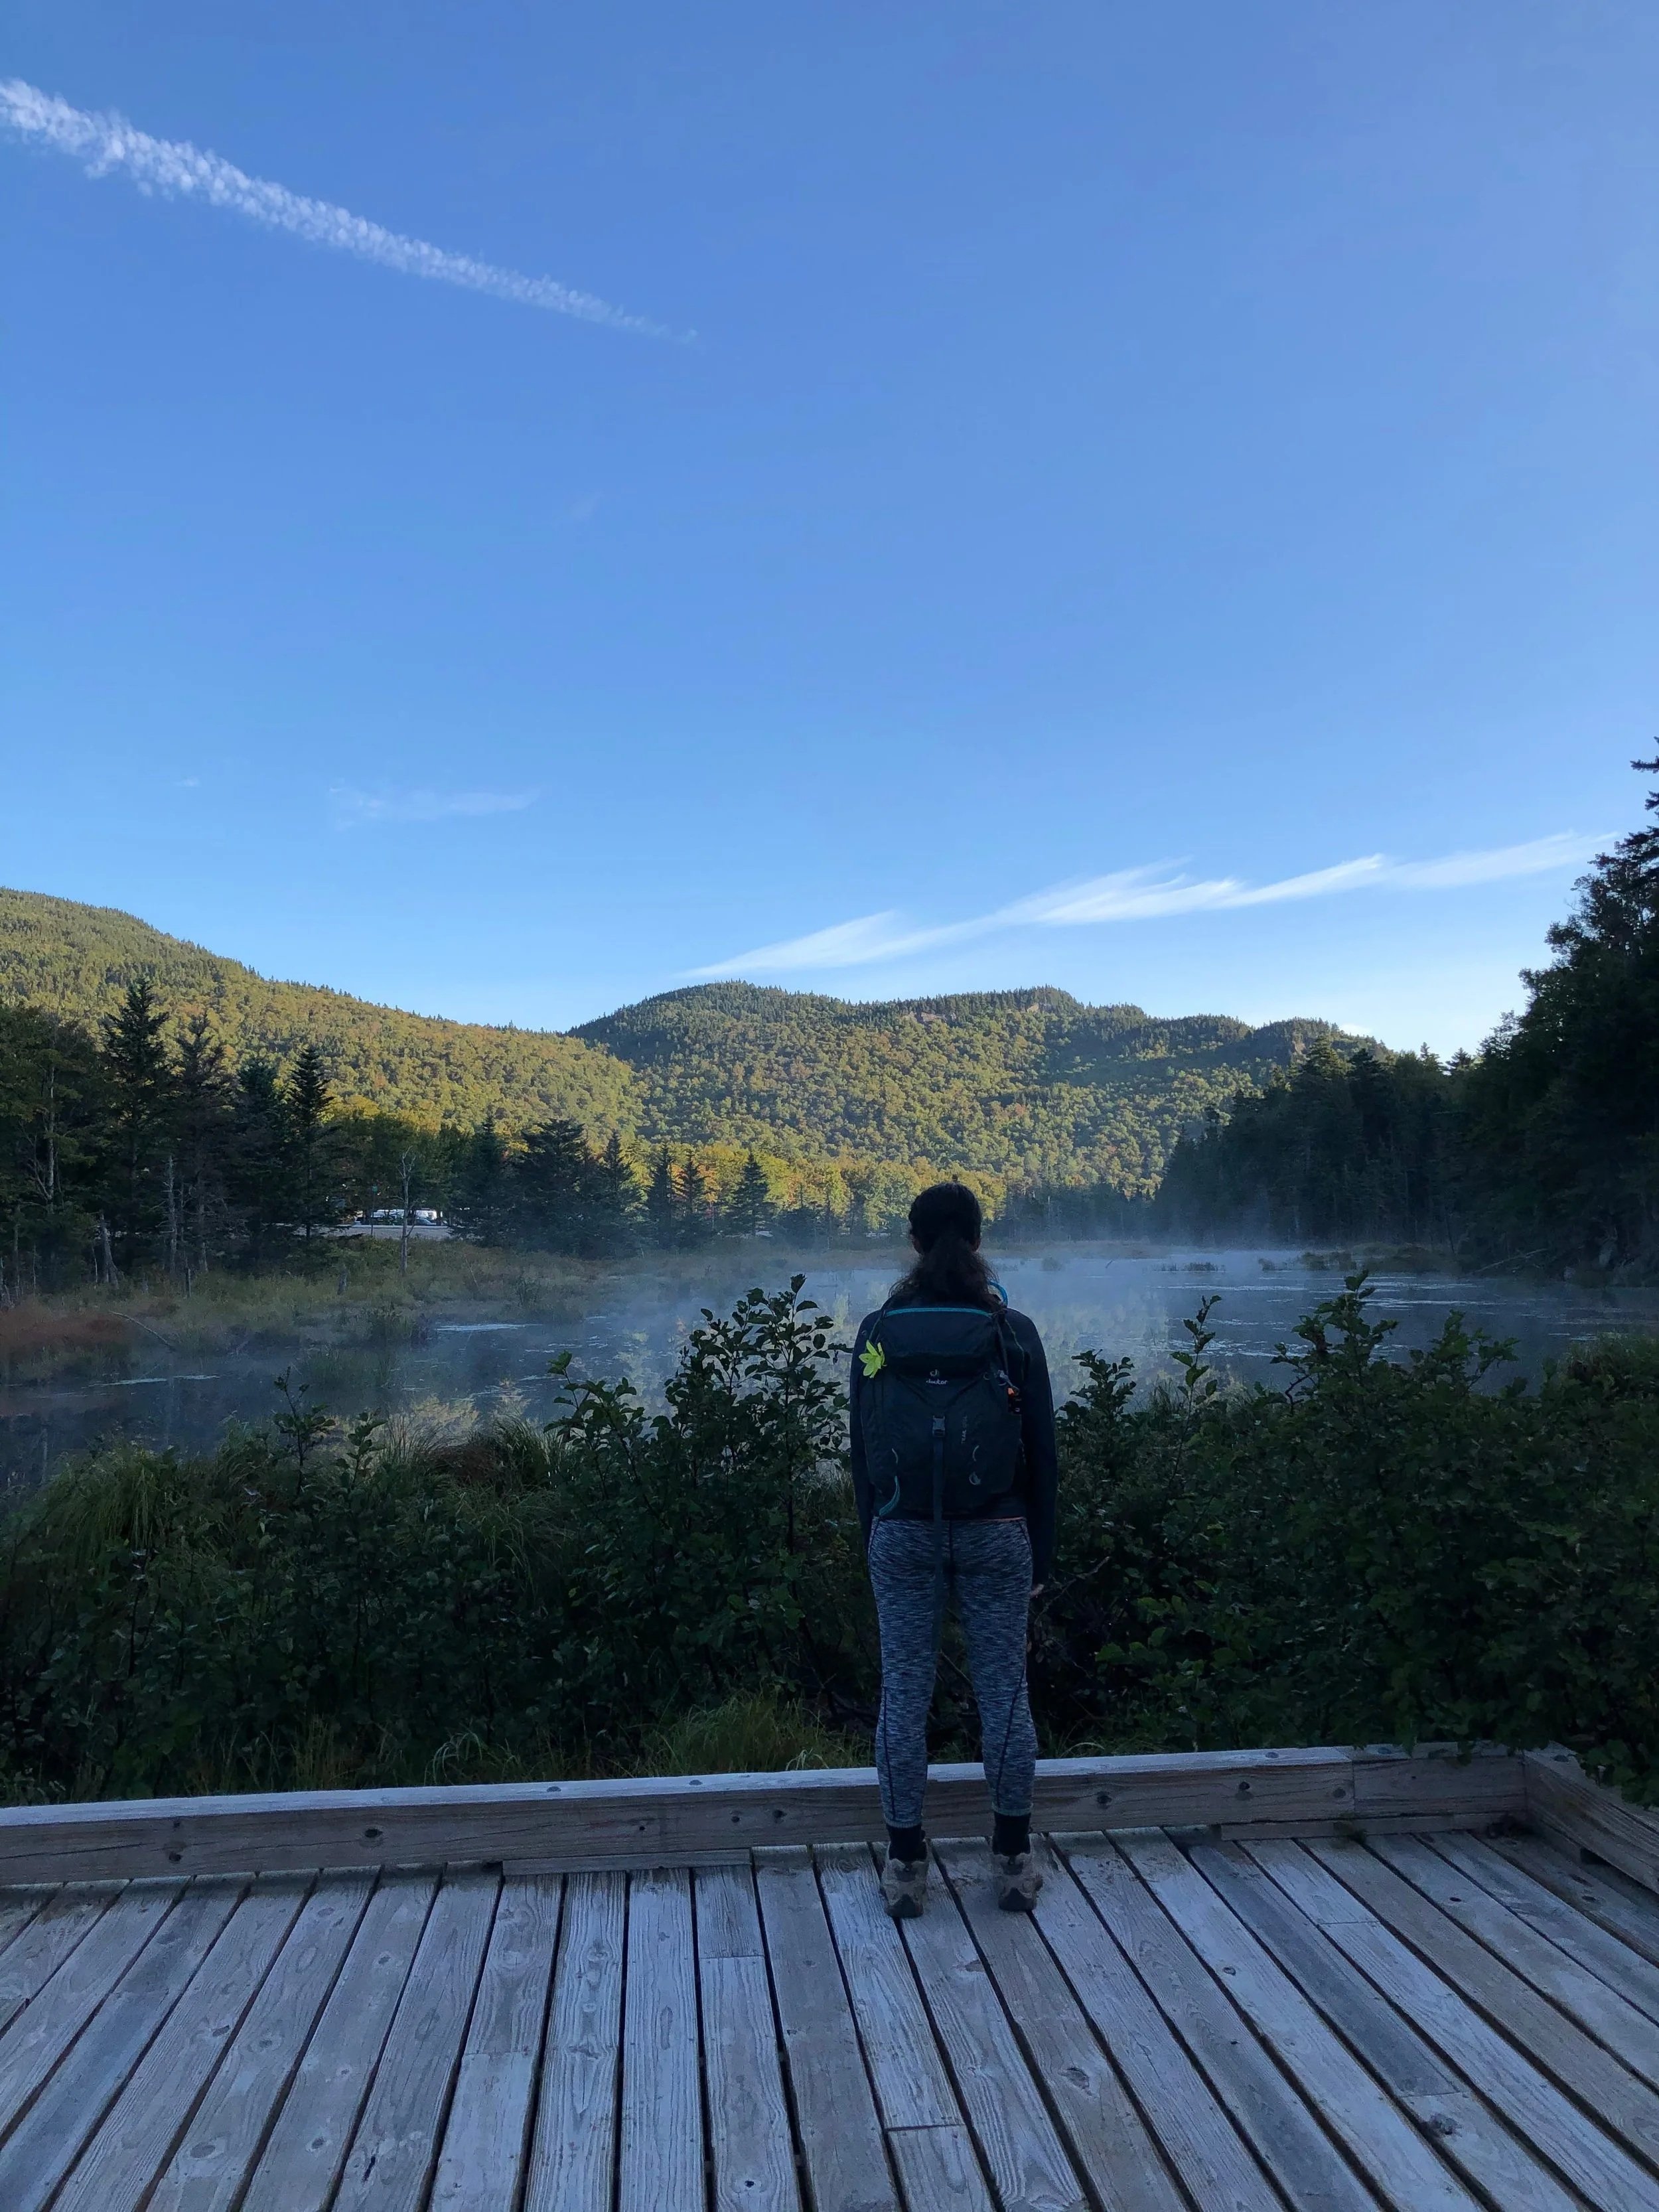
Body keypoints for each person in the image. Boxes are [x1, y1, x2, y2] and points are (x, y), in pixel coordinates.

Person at [849, 1181, 1057, 1918]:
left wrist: (877, 1533)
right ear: (975, 1241)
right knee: (1004, 1692)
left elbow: (861, 1452)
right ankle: (1010, 1861)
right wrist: (1044, 1552)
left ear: (913, 1243)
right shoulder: (1011, 1331)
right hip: (1000, 1533)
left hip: (901, 1532)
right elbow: (1042, 1455)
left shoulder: (877, 1332)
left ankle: (906, 1868)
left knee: (902, 1692)